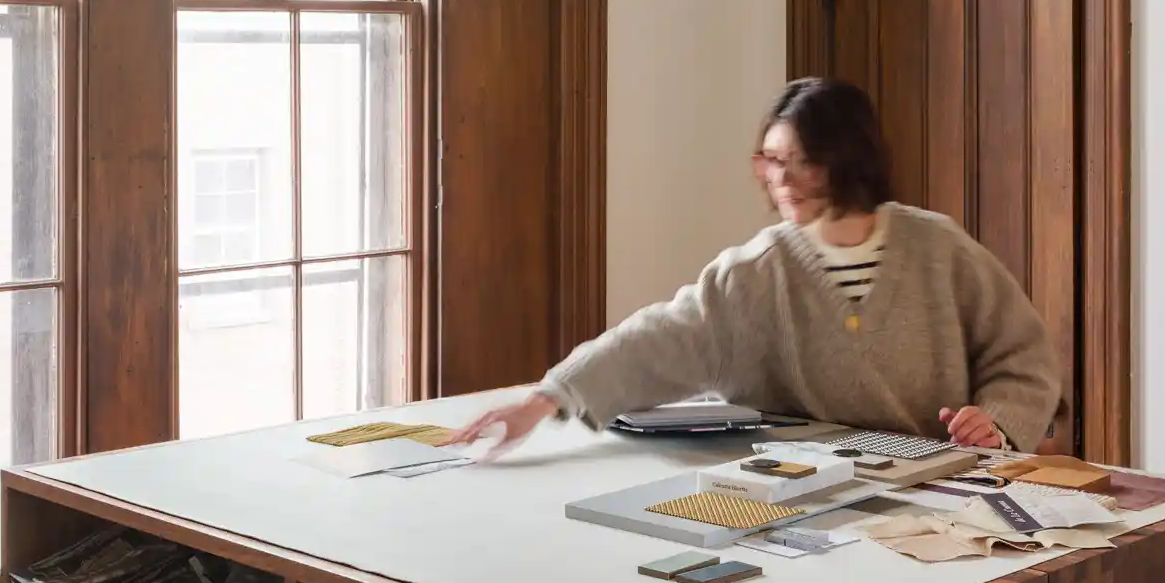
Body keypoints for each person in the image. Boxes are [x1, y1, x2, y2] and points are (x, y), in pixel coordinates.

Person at [452, 77, 1062, 454]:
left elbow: (1022, 357)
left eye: (801, 162)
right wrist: (545, 399)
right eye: (771, 161)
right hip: (815, 497)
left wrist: (998, 424)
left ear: (849, 158)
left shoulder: (938, 248)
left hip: (944, 488)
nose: (781, 181)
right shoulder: (757, 271)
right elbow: (659, 338)